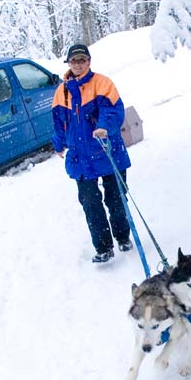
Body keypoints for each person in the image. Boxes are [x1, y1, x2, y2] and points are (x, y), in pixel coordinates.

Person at [52, 43, 133, 263]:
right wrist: (59, 144)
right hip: (81, 158)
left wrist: (104, 127)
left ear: (89, 62)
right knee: (90, 203)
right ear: (68, 63)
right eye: (74, 61)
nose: (78, 64)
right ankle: (104, 248)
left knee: (116, 198)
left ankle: (123, 237)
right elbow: (59, 123)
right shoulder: (61, 92)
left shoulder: (102, 83)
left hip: (107, 150)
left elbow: (113, 110)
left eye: (82, 60)